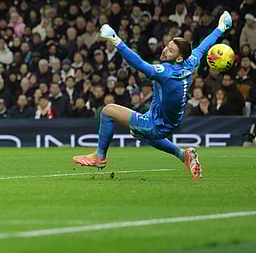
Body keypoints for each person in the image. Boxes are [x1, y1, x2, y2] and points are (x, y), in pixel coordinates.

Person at [72, 11, 233, 181]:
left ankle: (100, 156)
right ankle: (183, 155)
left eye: (170, 50)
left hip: (156, 123)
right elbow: (203, 46)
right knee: (138, 133)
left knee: (107, 111)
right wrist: (221, 27)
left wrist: (115, 40)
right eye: (168, 45)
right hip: (169, 120)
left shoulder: (166, 72)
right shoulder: (190, 62)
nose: (165, 50)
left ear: (178, 58)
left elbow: (139, 64)